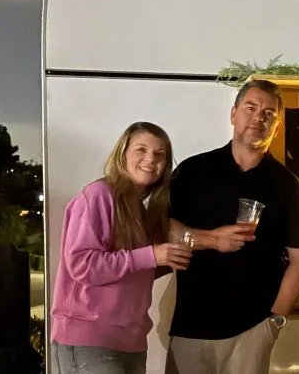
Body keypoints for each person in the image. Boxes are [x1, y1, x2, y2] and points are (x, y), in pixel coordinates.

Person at [167, 79, 299, 374]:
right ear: (234, 114)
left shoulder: (287, 185)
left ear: (277, 124)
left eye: (268, 113)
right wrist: (213, 239)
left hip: (252, 330)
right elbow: (161, 228)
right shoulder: (193, 171)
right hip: (190, 325)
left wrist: (274, 322)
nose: (258, 117)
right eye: (250, 108)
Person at [50, 122, 192, 374]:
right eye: (141, 150)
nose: (150, 159)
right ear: (123, 154)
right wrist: (152, 255)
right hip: (88, 339)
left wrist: (164, 260)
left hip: (132, 343)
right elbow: (82, 265)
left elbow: (130, 271)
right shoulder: (98, 195)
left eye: (160, 154)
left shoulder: (142, 210)